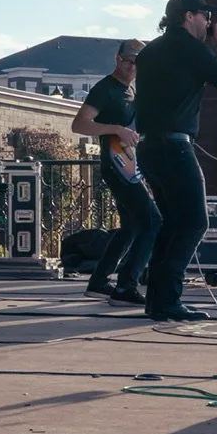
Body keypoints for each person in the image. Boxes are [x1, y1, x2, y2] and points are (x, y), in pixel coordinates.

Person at [131, 0, 217, 322]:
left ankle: (158, 300)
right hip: (174, 145)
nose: (209, 22)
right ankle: (167, 300)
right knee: (195, 221)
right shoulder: (191, 48)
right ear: (187, 16)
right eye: (204, 15)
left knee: (173, 222)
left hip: (149, 145)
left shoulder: (150, 51)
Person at [71, 38, 159, 305]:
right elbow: (79, 124)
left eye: (137, 63)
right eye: (128, 61)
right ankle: (126, 285)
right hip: (117, 167)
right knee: (153, 222)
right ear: (117, 59)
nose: (132, 67)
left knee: (131, 227)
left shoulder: (131, 91)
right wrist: (116, 129)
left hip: (130, 166)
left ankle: (99, 282)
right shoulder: (105, 89)